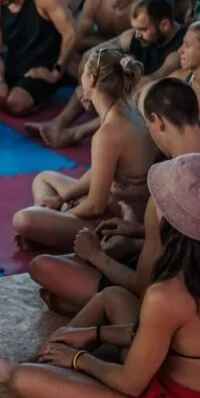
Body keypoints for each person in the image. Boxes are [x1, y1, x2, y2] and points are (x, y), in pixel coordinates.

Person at [0, 153, 200, 398]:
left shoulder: (168, 294)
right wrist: (95, 333)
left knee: (25, 380)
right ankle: (47, 358)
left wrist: (79, 359)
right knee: (113, 296)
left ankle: (22, 369)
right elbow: (170, 337)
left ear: (168, 218)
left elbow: (131, 383)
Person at [30, 79, 200, 316]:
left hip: (176, 306)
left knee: (42, 267)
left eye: (147, 124)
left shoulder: (165, 187)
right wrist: (137, 231)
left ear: (157, 121)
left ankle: (90, 305)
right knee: (98, 260)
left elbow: (146, 289)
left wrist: (98, 256)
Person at [14, 49, 155, 252]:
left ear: (91, 79)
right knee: (43, 178)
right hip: (119, 202)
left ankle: (49, 234)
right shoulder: (129, 108)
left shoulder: (108, 133)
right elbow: (101, 171)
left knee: (23, 219)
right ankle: (50, 226)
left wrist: (63, 214)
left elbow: (95, 206)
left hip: (119, 219)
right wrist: (61, 199)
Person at [27, 0, 184, 148]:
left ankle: (75, 133)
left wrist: (109, 87)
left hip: (159, 107)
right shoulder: (134, 37)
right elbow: (91, 55)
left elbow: (152, 80)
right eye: (135, 28)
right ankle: (57, 123)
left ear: (164, 25)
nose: (137, 35)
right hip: (135, 89)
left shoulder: (179, 47)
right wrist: (89, 87)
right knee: (94, 76)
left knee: (135, 94)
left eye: (142, 29)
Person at [0, 0, 77, 116]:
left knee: (15, 104)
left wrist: (56, 72)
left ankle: (46, 92)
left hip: (44, 65)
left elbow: (71, 32)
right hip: (14, 63)